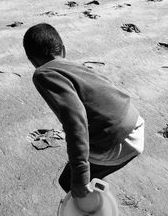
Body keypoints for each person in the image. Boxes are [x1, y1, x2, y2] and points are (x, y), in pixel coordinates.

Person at [23, 23, 144, 198]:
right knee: (90, 178)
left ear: (31, 60)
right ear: (63, 50)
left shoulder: (43, 73)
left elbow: (75, 120)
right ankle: (98, 198)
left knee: (70, 181)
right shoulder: (73, 67)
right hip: (133, 122)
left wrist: (80, 176)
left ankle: (98, 207)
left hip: (119, 139)